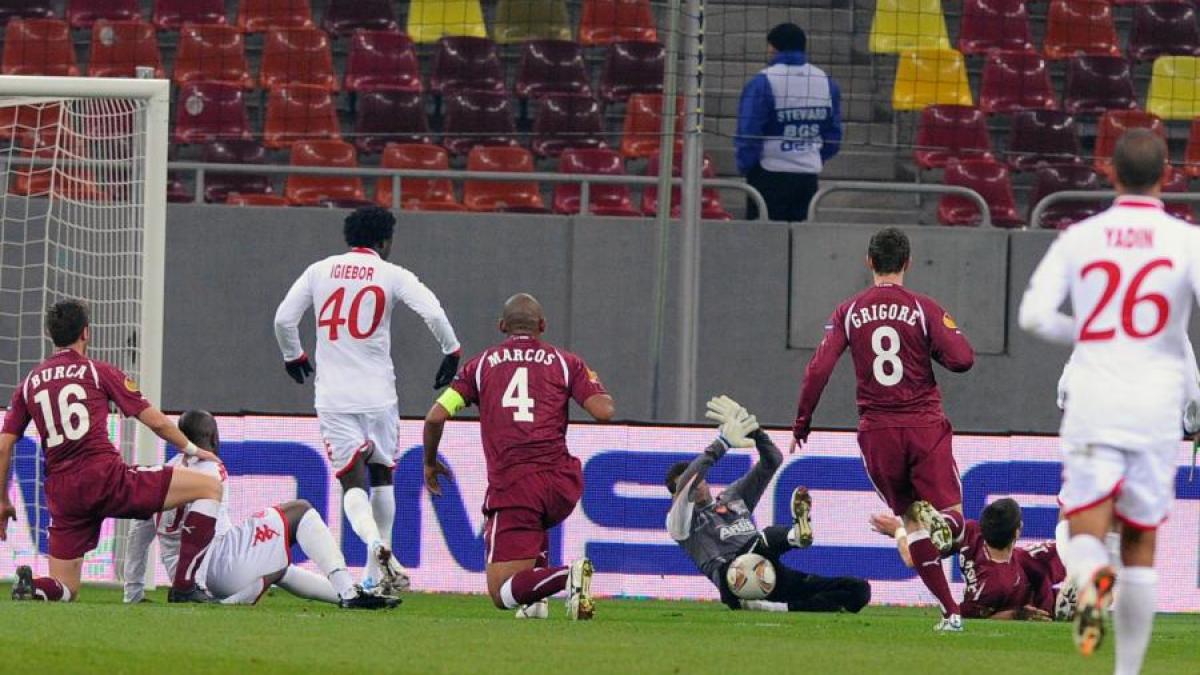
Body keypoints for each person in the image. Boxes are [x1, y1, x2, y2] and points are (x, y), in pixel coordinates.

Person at [1019, 129, 1198, 669]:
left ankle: (1091, 574)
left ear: (1109, 172)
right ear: (1167, 176)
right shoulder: (1187, 240)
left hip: (1095, 396)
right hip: (1154, 402)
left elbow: (1032, 316)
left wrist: (1093, 331)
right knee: (1141, 539)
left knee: (1084, 525)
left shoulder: (1080, 237)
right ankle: (1128, 671)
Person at [791, 227, 975, 631]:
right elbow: (963, 359)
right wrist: (931, 349)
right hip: (924, 423)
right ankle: (948, 532)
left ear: (869, 262)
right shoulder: (923, 308)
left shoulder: (849, 311)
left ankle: (951, 613)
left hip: (877, 432)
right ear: (908, 263)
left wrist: (803, 421)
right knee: (951, 515)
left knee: (911, 521)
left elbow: (818, 369)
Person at [274, 206, 462, 595]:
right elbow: (432, 310)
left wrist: (294, 355)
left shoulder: (319, 270)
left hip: (334, 396)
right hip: (379, 396)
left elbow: (283, 320)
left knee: (352, 484)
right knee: (382, 475)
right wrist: (452, 351)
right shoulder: (393, 274)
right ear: (385, 240)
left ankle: (374, 547)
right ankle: (375, 576)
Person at [1, 299, 223, 603]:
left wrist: (1, 500)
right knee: (210, 487)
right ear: (86, 332)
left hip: (64, 494)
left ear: (50, 335)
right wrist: (193, 449)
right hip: (107, 479)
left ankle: (36, 587)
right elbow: (156, 422)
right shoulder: (97, 372)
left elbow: (3, 446)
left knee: (66, 586)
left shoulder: (29, 384)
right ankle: (185, 586)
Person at [421, 293, 614, 620]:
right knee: (533, 526)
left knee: (501, 592)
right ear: (542, 325)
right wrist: (592, 381)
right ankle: (536, 602)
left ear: (501, 326)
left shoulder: (479, 366)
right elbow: (604, 411)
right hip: (562, 483)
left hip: (515, 485)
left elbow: (435, 417)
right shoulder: (567, 362)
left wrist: (429, 462)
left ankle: (569, 577)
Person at [123, 411, 395, 609]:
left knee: (279, 565)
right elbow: (201, 529)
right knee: (301, 511)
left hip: (188, 573)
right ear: (213, 437)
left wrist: (133, 591)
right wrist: (198, 585)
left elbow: (140, 532)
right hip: (217, 567)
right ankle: (348, 593)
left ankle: (350, 593)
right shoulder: (212, 470)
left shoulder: (166, 472)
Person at [666, 395, 870, 613]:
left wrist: (755, 432)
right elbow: (688, 481)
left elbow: (773, 459)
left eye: (700, 481)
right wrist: (722, 443)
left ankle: (775, 608)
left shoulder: (732, 497)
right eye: (690, 485)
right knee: (766, 537)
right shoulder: (679, 523)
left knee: (856, 591)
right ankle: (796, 536)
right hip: (733, 576)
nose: (697, 486)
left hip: (769, 572)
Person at [870, 499, 1073, 621]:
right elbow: (967, 620)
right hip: (1036, 605)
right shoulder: (994, 585)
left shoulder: (971, 532)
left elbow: (914, 558)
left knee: (1070, 549)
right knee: (1070, 551)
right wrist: (1016, 615)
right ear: (1017, 531)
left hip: (1025, 564)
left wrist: (898, 531)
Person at [736, 22, 842, 222]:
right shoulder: (826, 82)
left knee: (763, 242)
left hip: (769, 173)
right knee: (801, 242)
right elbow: (833, 134)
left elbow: (749, 131)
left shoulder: (763, 81)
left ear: (773, 48)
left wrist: (747, 166)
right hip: (807, 175)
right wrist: (810, 153)